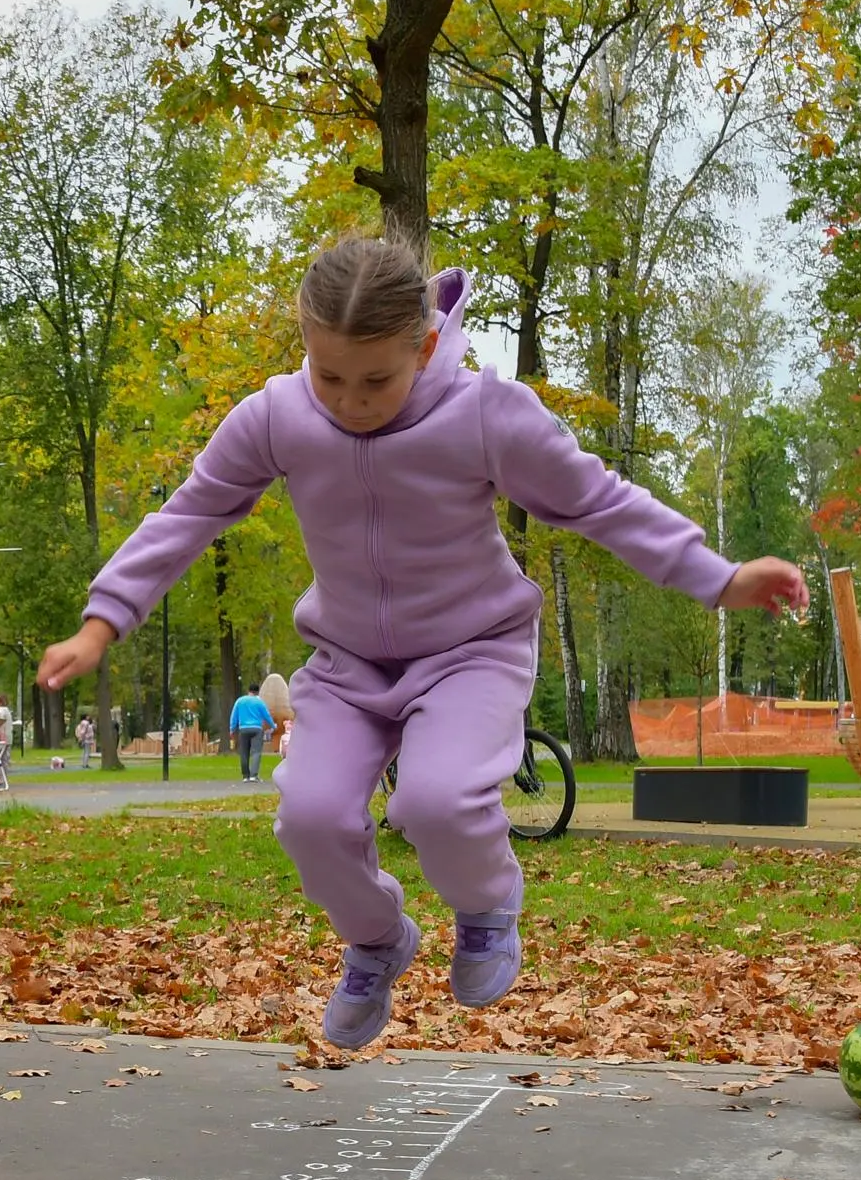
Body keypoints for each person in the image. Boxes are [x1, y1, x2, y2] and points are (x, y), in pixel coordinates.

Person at [40, 237, 807, 1048]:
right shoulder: (277, 415)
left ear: (428, 343)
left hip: (472, 650)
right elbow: (191, 511)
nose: (351, 401)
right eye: (330, 376)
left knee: (436, 802)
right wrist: (102, 621)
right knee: (310, 818)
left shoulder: (484, 414)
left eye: (377, 380)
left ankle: (487, 906)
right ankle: (377, 939)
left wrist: (719, 578)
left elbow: (598, 502)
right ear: (306, 344)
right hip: (347, 664)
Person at [229, 682, 275, 781]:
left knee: (244, 752)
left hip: (243, 729)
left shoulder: (240, 701)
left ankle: (245, 776)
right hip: (257, 728)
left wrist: (232, 728)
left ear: (248, 691)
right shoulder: (259, 702)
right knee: (256, 752)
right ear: (257, 692)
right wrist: (273, 726)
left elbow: (234, 715)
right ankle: (254, 775)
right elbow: (266, 715)